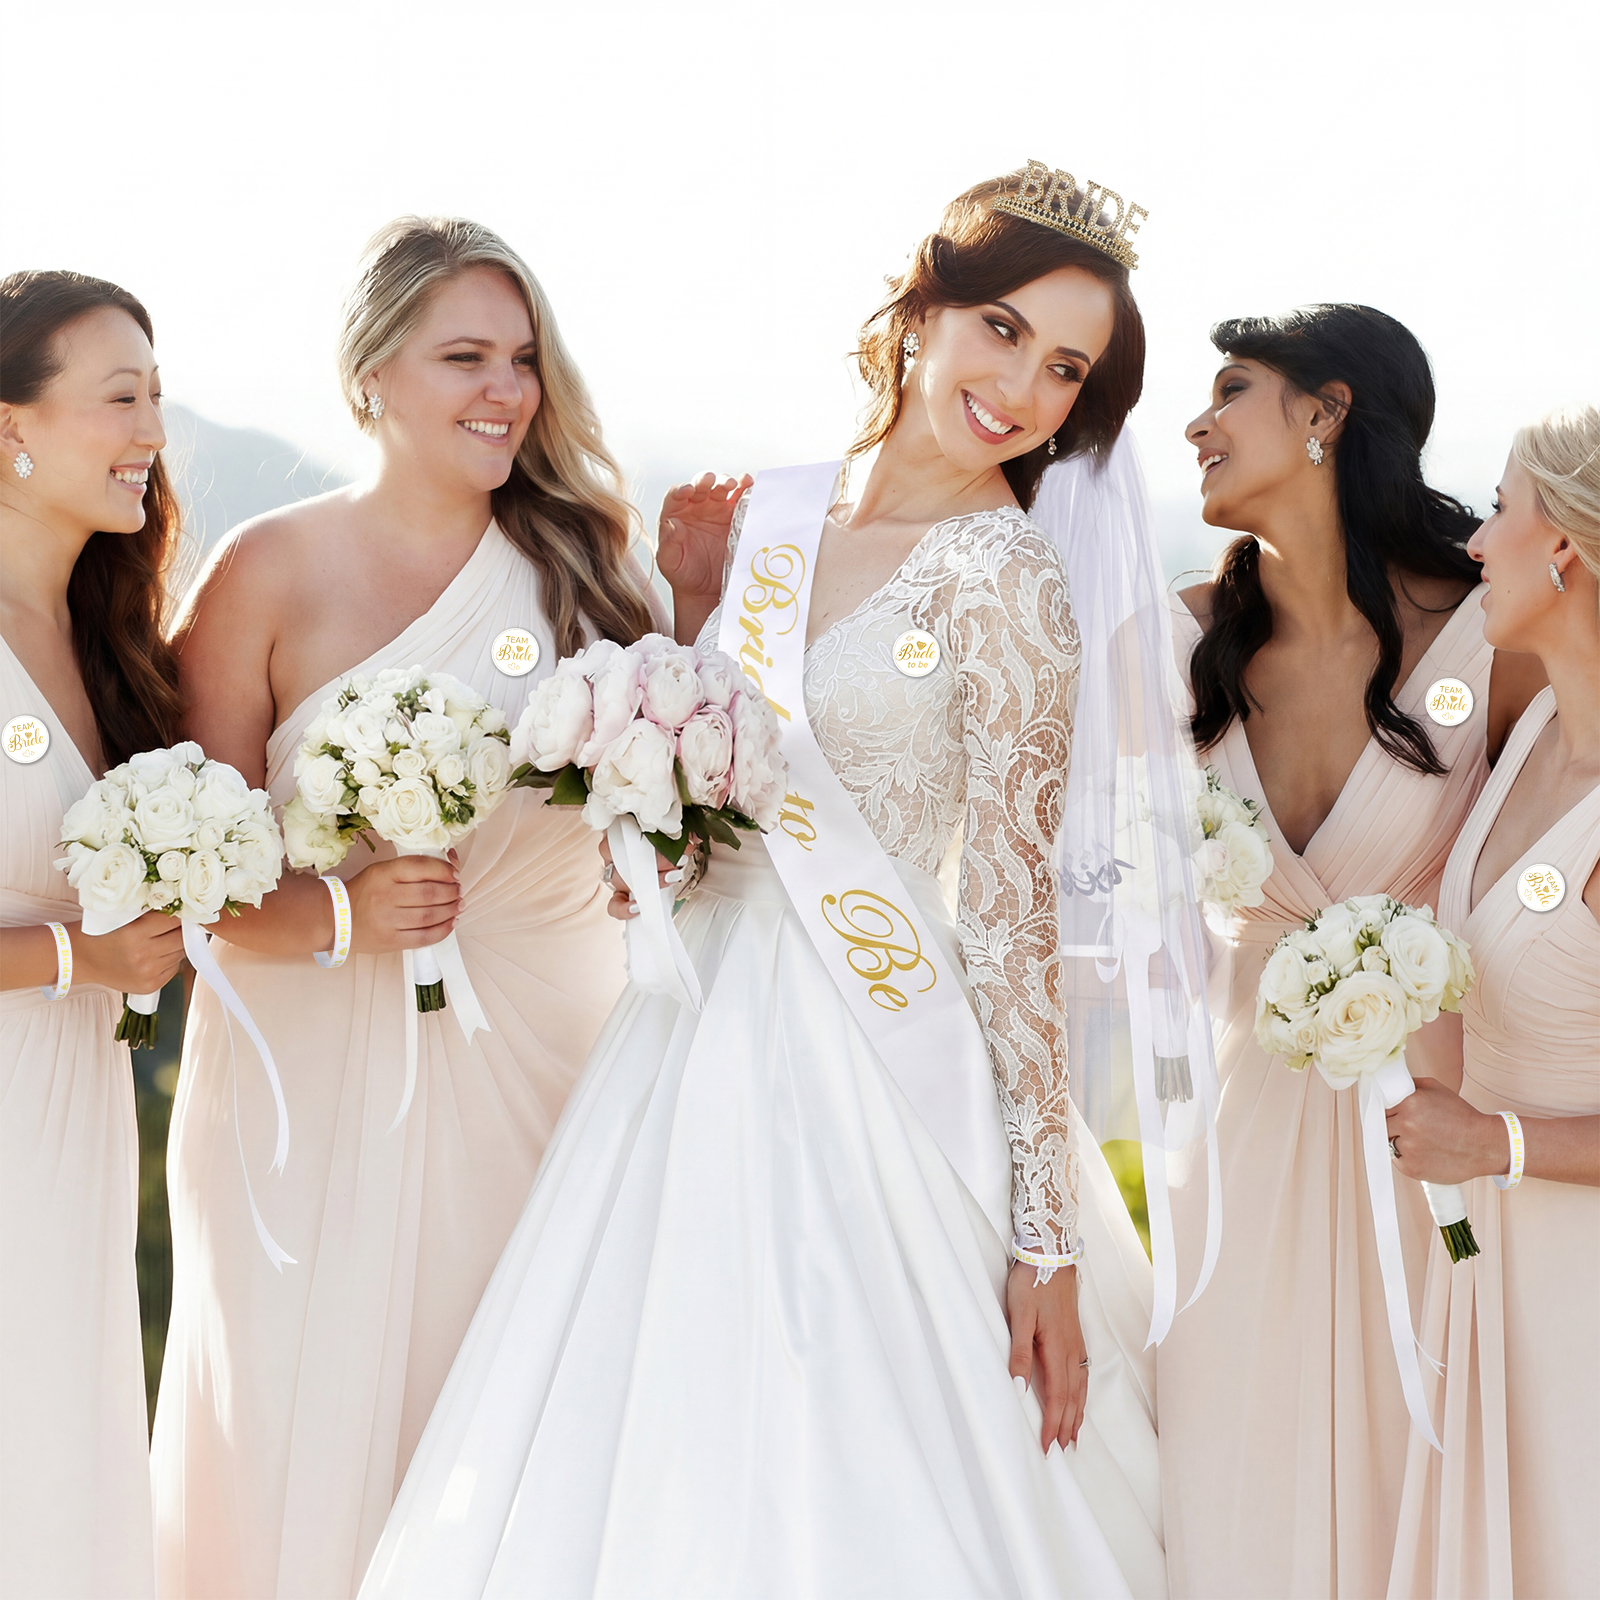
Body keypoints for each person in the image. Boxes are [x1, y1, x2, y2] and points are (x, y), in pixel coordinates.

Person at [359, 162, 1170, 1600]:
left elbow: (1010, 910)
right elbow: (725, 787)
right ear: (919, 316)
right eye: (1001, 330)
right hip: (687, 1036)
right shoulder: (779, 521)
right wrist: (682, 654)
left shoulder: (1005, 577)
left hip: (881, 1060)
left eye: (1065, 370)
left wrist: (1045, 1239)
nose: (1022, 388)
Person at [151, 217, 662, 1599]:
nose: (506, 390)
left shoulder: (593, 576)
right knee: (294, 1432)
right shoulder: (266, 570)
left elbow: (669, 815)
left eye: (522, 358)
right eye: (464, 357)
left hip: (547, 1061)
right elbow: (189, 880)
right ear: (371, 372)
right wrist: (344, 917)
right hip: (305, 1085)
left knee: (503, 1422)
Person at [1156, 304, 1547, 1599]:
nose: (1197, 424)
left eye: (1231, 389)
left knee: (1425, 1481)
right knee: (1232, 1480)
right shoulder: (1181, 641)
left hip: (1434, 1146)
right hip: (1239, 1146)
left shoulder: (1492, 637)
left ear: (1326, 412)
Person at [1386, 404, 1600, 1600]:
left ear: (1561, 543)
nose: (1475, 541)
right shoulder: (1531, 733)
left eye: (1502, 509)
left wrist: (1493, 1142)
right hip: (1489, 1268)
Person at [0, 270, 188, 1599]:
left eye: (159, 396)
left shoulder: (108, 636)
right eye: (120, 397)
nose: (153, 432)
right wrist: (83, 960)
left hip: (73, 1110)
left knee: (59, 1463)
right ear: (10, 425)